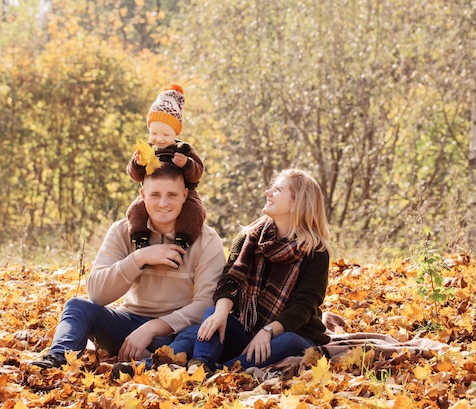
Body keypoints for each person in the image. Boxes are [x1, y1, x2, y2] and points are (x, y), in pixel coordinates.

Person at [28, 162, 225, 370]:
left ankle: (147, 366)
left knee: (203, 331)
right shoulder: (122, 231)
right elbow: (97, 294)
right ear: (142, 194)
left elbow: (206, 303)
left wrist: (153, 327)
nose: (163, 203)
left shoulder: (207, 239)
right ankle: (56, 359)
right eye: (155, 194)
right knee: (77, 306)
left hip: (178, 330)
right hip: (129, 325)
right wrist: (139, 258)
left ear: (185, 195)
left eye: (172, 195)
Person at [186, 168, 332, 375]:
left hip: (288, 333)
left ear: (295, 203)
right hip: (246, 328)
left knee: (289, 341)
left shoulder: (315, 252)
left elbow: (303, 305)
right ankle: (199, 365)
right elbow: (229, 282)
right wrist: (221, 313)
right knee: (214, 313)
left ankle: (222, 373)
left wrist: (268, 331)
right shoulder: (249, 238)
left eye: (278, 190)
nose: (268, 193)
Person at [126, 83, 206, 250]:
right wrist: (138, 163)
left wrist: (186, 164)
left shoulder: (183, 149)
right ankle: (140, 238)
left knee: (195, 211)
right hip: (152, 193)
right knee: (135, 209)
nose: (159, 139)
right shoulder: (147, 149)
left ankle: (183, 239)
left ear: (175, 133)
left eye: (165, 134)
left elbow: (198, 172)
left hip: (184, 193)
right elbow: (133, 174)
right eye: (154, 134)